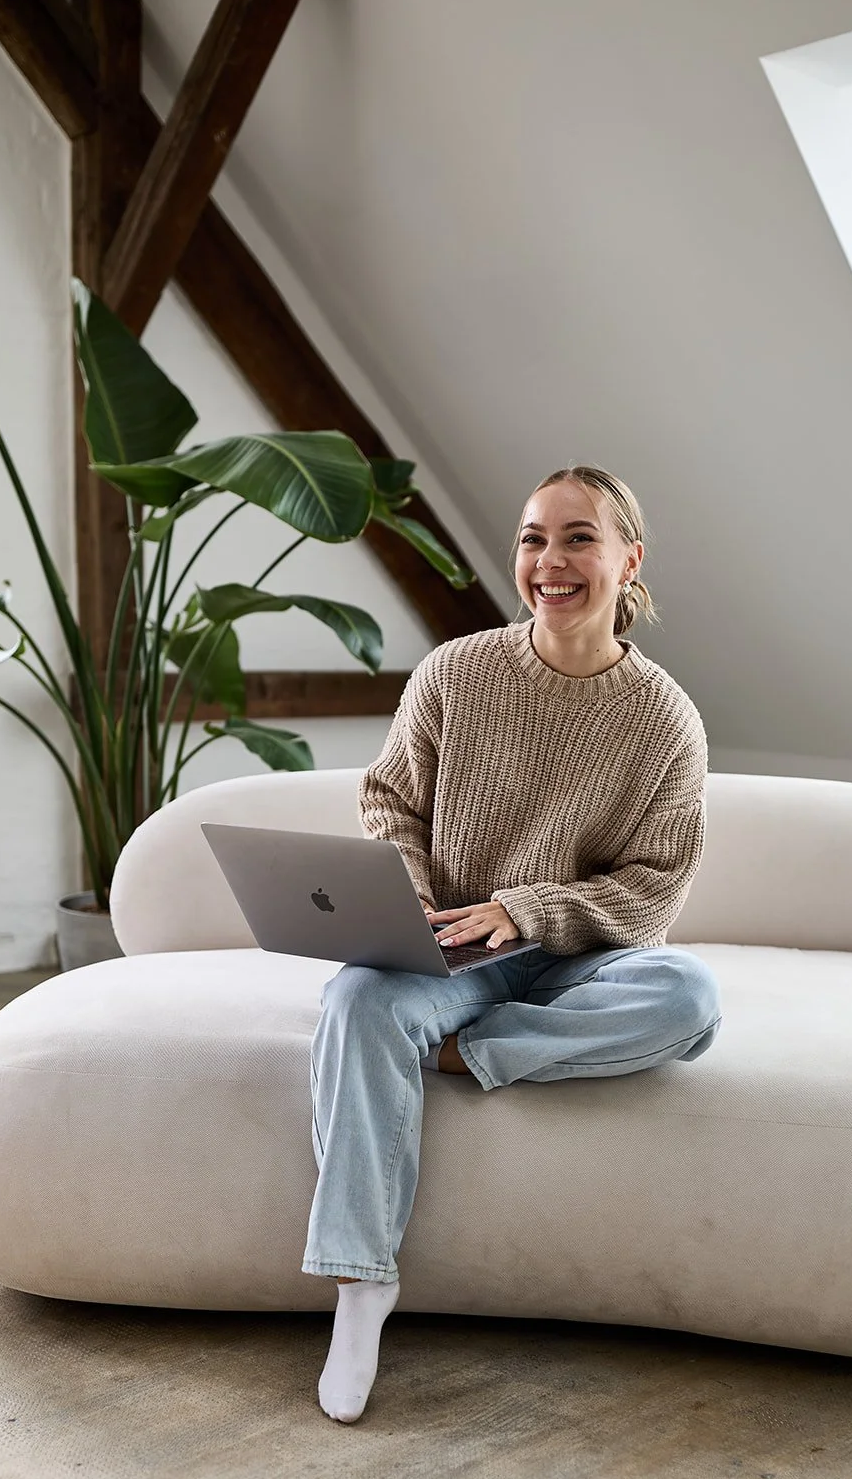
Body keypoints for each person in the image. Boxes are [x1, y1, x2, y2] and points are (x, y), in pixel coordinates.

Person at [302, 463, 723, 1423]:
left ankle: (458, 1055)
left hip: (574, 954)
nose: (550, 561)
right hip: (449, 944)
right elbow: (390, 803)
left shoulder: (662, 718)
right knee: (356, 1001)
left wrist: (525, 911)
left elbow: (649, 893)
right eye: (534, 537)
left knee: (686, 1000)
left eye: (578, 538)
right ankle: (361, 1289)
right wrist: (411, 902)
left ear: (628, 560)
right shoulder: (456, 672)